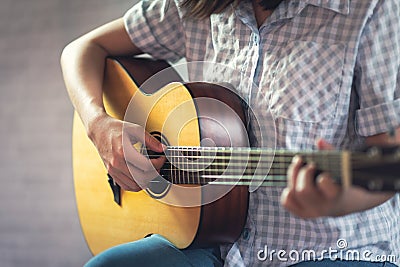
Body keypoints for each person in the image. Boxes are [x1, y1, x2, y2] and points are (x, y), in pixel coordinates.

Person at [60, 0, 400, 266]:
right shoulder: (196, 7)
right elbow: (82, 50)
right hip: (213, 246)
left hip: (337, 250)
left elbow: (389, 167)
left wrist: (340, 200)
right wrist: (98, 125)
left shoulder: (370, 9)